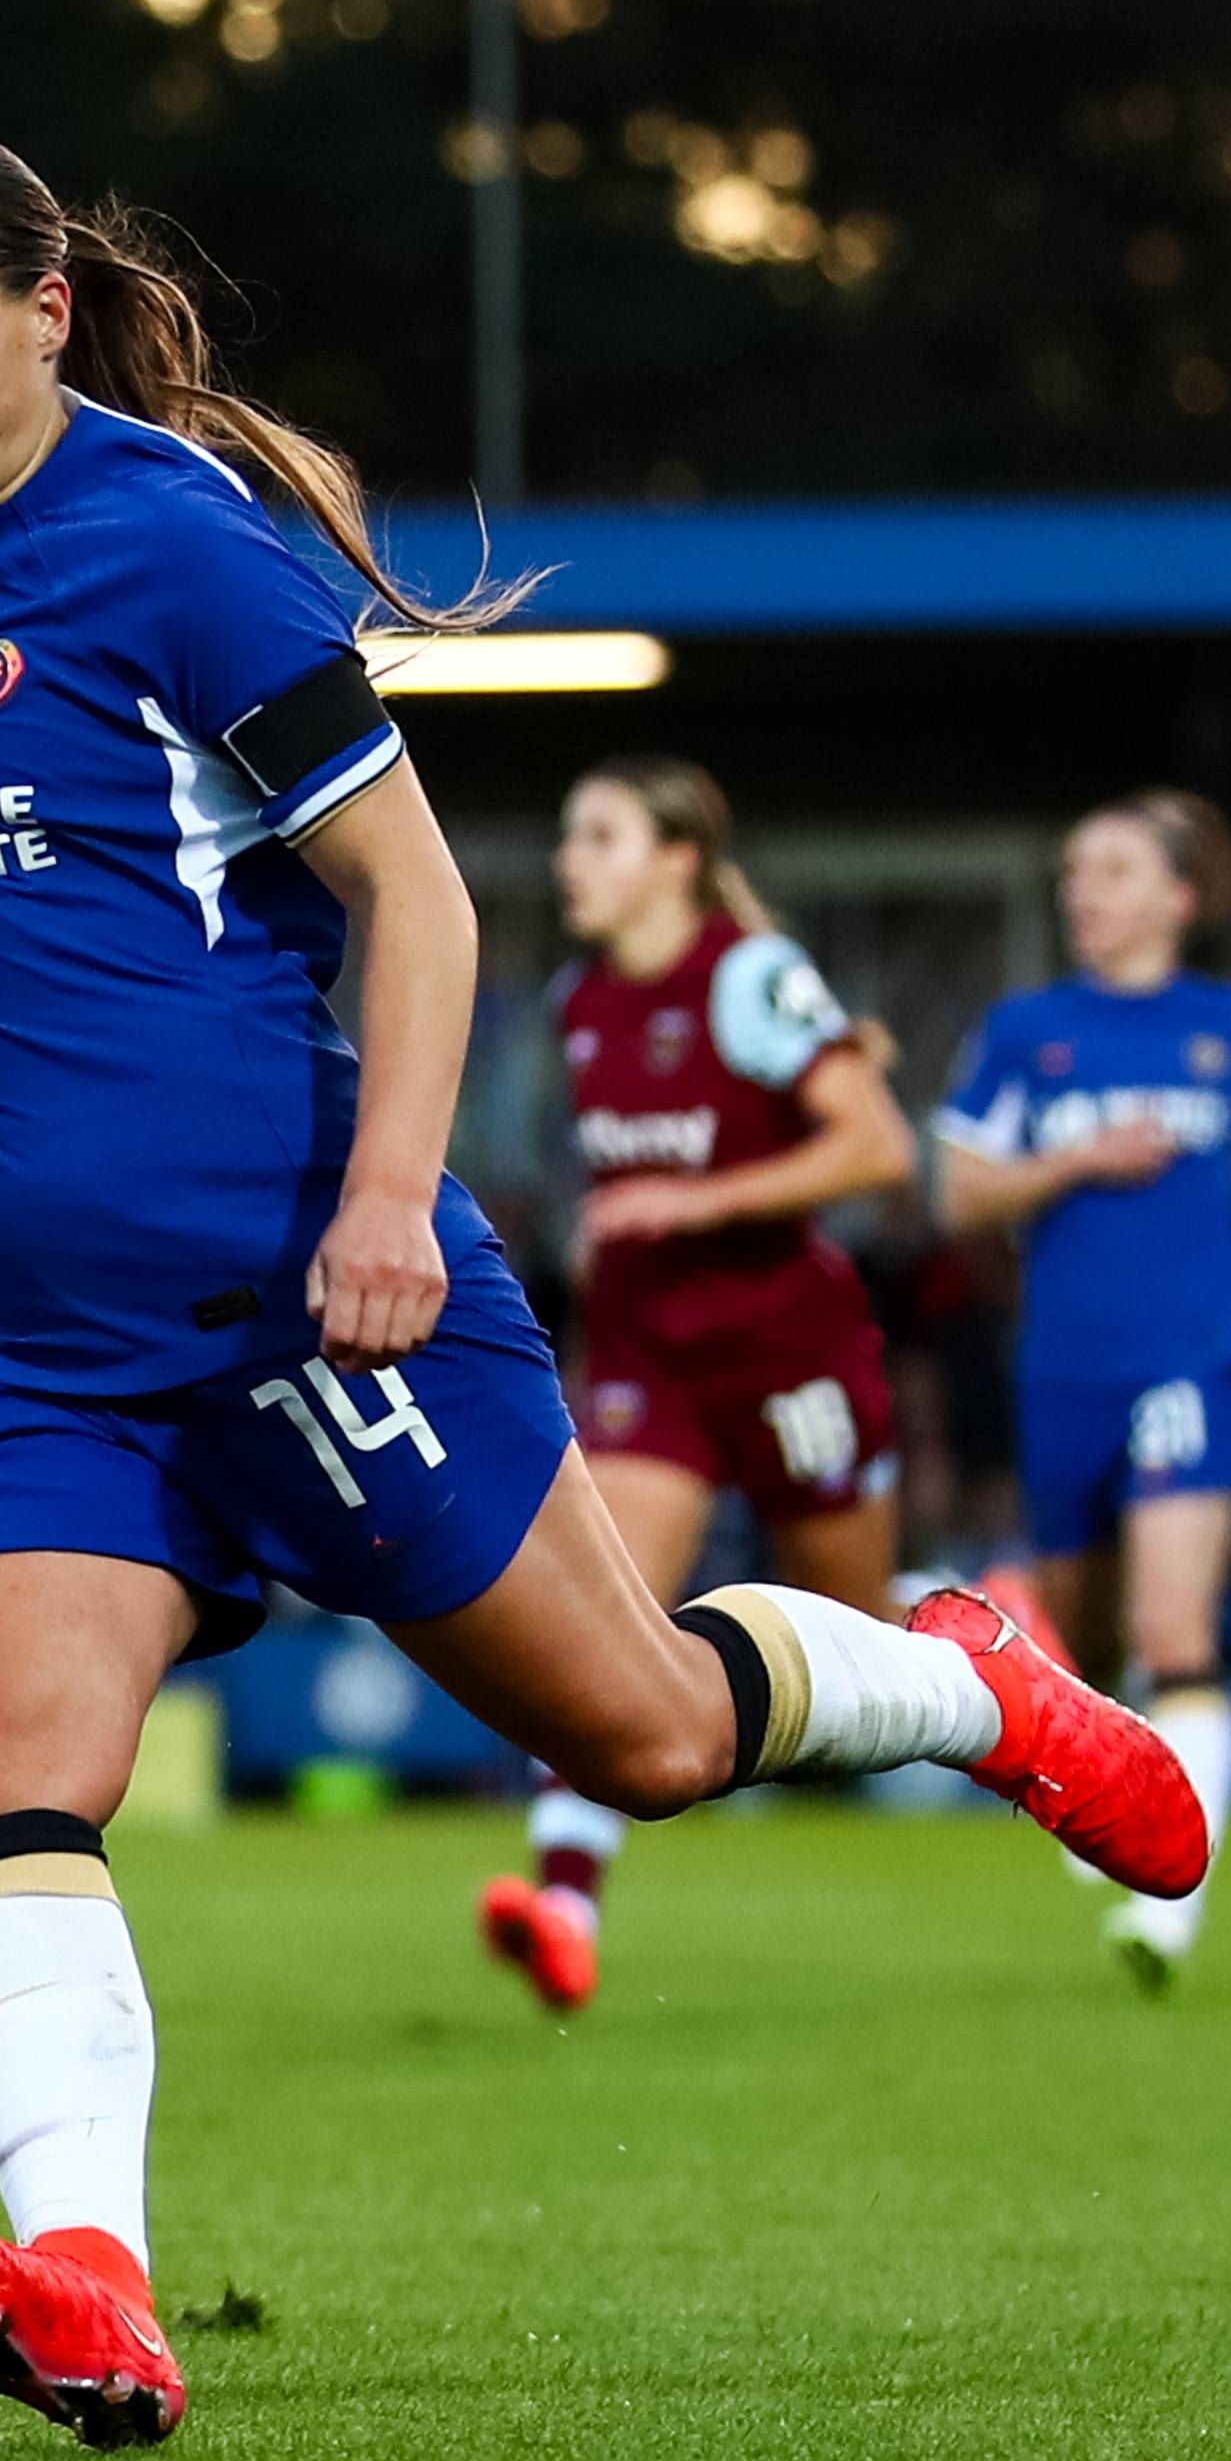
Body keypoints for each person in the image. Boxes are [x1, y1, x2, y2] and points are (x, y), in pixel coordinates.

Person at [0, 128, 1204, 2452]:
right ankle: (90, 2276)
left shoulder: (179, 550)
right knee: (0, 1763)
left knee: (647, 1736)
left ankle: (969, 1680)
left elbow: (421, 900)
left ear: (43, 307)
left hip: (296, 1295)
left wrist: (386, 1200)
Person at [933, 790, 1231, 1993]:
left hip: (1197, 1349)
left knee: (1171, 1632)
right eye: (1073, 869)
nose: (1079, 889)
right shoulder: (1024, 1030)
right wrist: (1075, 1161)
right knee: (1086, 1644)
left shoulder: (1225, 1023)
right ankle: (1108, 1801)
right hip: (1063, 1367)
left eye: (1107, 869)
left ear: (1176, 898)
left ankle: (1170, 1905)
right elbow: (958, 1195)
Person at [476, 759, 917, 2014]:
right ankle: (564, 1905)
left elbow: (878, 1147)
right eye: (568, 834)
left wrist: (694, 1200)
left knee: (867, 1648)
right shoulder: (575, 1001)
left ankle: (990, 1631)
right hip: (646, 1359)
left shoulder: (747, 977)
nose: (571, 859)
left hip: (788, 1354)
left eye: (599, 835)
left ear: (675, 857)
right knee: (594, 1629)